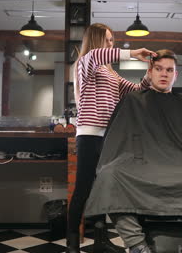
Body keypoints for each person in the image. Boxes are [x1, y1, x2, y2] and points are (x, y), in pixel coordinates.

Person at [84, 49, 182, 253]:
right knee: (108, 175)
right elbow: (118, 143)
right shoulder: (133, 101)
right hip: (142, 166)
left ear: (175, 75)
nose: (164, 74)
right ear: (150, 72)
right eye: (158, 69)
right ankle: (137, 245)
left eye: (169, 70)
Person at [67, 23, 157, 253]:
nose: (111, 44)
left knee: (103, 188)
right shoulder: (86, 62)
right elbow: (97, 55)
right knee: (83, 190)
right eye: (107, 40)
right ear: (96, 40)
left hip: (108, 137)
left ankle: (101, 239)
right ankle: (72, 245)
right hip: (89, 135)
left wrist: (149, 75)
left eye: (112, 40)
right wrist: (133, 53)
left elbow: (135, 90)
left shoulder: (110, 72)